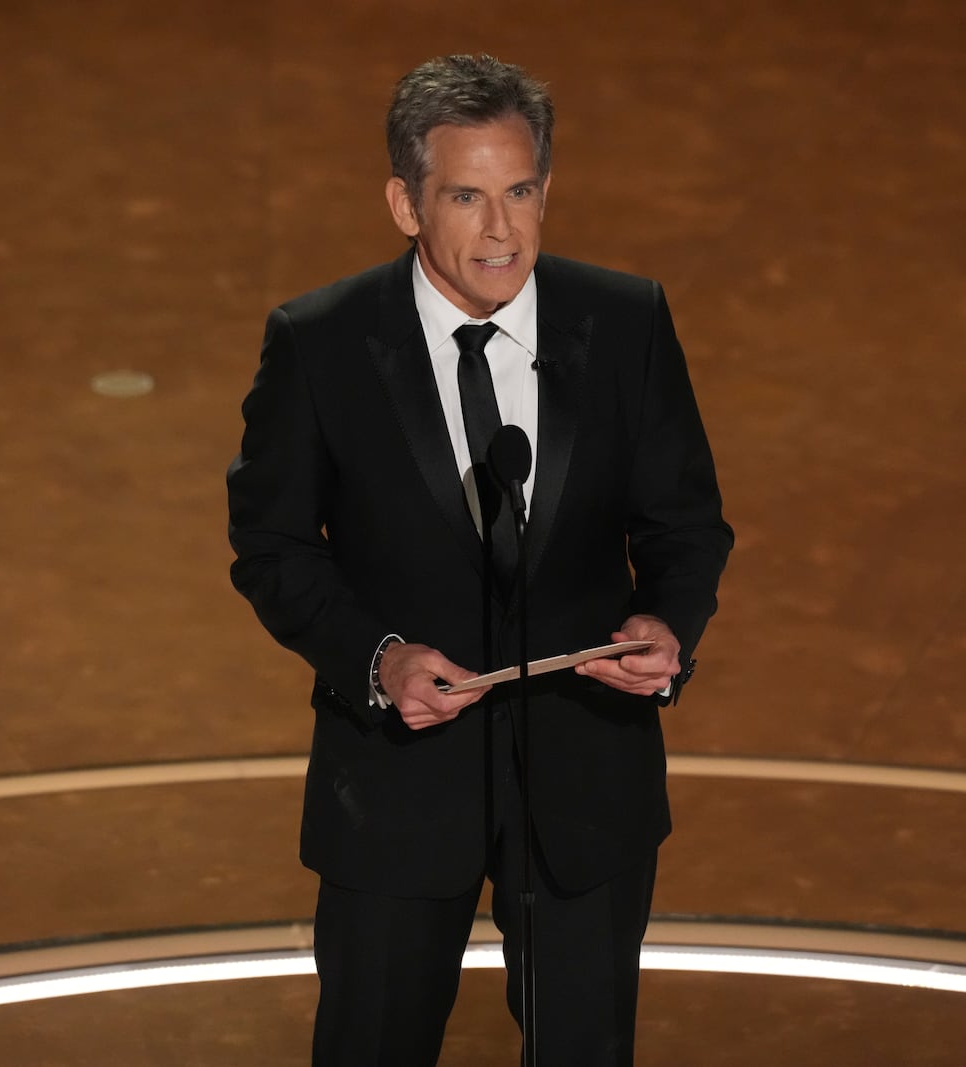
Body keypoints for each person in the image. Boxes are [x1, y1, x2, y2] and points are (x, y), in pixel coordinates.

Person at [227, 53, 732, 1066]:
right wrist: (378, 657)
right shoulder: (320, 343)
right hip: (399, 785)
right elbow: (274, 545)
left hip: (589, 774)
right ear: (404, 203)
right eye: (465, 196)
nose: (500, 232)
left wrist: (665, 621)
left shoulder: (626, 321)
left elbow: (685, 521)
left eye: (520, 192)